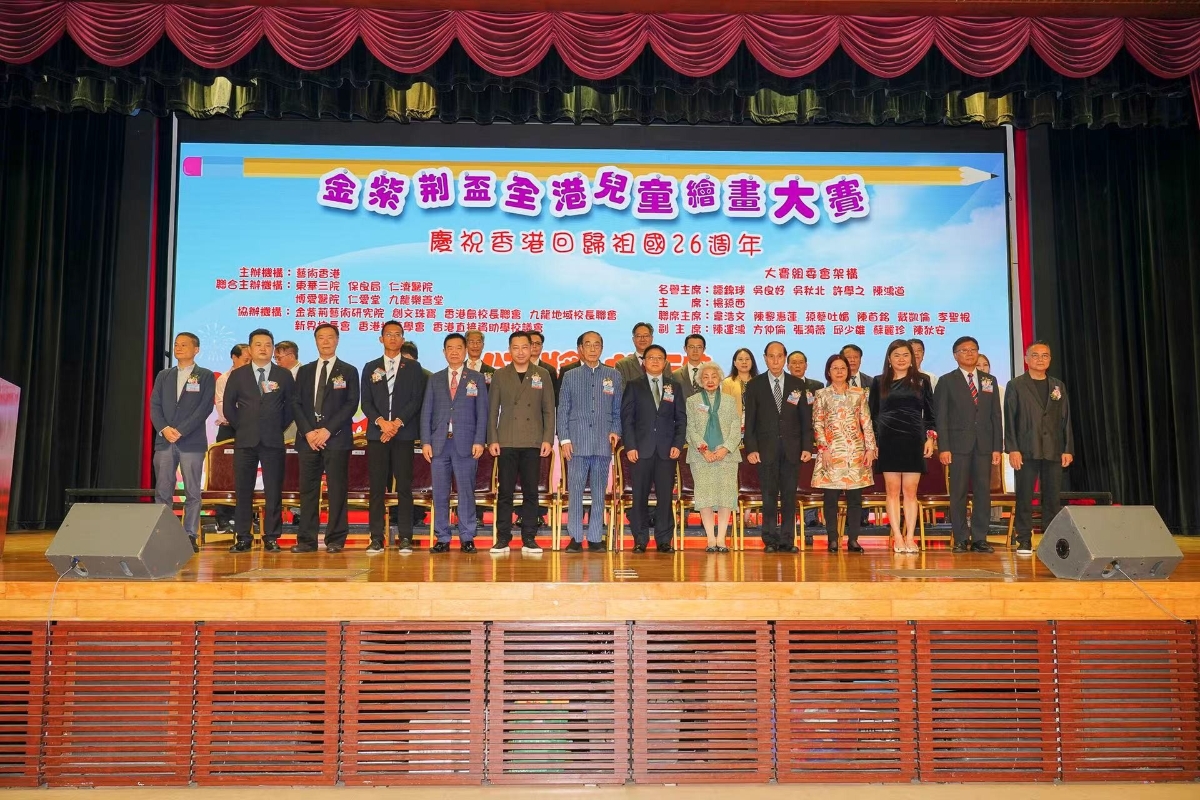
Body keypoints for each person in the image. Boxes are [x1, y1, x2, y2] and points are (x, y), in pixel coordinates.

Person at [223, 328, 296, 552]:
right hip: (245, 440)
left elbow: (290, 407)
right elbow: (229, 407)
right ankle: (243, 537)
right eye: (258, 344)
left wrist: (276, 427)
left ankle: (271, 537)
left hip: (273, 440)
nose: (263, 348)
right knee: (243, 491)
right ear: (250, 348)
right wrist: (243, 426)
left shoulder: (283, 375)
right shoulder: (238, 375)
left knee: (273, 491)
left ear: (272, 349)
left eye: (267, 345)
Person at [291, 323, 360, 554]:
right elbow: (296, 403)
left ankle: (336, 539)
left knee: (337, 490)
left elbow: (351, 404)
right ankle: (306, 540)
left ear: (337, 340)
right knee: (308, 491)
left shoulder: (348, 370)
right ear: (315, 341)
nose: (326, 341)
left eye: (330, 337)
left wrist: (327, 430)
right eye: (321, 337)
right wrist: (309, 432)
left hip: (336, 439)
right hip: (308, 439)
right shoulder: (305, 371)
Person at [361, 321, 427, 554]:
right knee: (377, 487)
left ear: (402, 339)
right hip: (377, 434)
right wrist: (382, 423)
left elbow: (416, 399)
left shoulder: (413, 368)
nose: (392, 338)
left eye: (397, 334)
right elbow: (366, 402)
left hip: (403, 434)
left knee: (405, 487)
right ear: (381, 339)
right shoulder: (370, 367)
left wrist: (396, 424)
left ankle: (406, 536)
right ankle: (376, 537)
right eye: (388, 334)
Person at [487, 331, 556, 554]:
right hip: (506, 439)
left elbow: (549, 410)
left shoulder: (542, 374)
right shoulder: (500, 375)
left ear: (532, 348)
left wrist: (547, 439)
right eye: (515, 347)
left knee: (531, 492)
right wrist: (492, 439)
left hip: (533, 440)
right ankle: (503, 537)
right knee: (505, 492)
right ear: (509, 350)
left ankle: (529, 537)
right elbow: (492, 410)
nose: (520, 352)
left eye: (524, 347)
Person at [1005, 341, 1074, 556]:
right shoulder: (1016, 385)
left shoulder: (1057, 386)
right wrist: (1013, 449)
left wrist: (1067, 449)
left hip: (1053, 449)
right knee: (1024, 497)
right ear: (1026, 359)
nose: (1040, 359)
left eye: (1045, 355)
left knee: (1052, 499)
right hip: (1026, 449)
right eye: (1035, 355)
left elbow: (1065, 419)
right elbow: (1010, 418)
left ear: (1050, 359)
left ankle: (1050, 542)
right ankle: (1024, 540)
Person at [421, 333, 489, 552]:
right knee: (440, 493)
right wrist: (425, 442)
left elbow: (483, 413)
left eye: (459, 347)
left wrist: (480, 440)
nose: (454, 352)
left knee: (466, 493)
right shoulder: (435, 379)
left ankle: (467, 536)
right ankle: (442, 537)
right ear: (444, 352)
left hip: (466, 444)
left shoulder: (476, 378)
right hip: (439, 445)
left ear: (465, 350)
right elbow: (426, 412)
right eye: (450, 348)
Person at [743, 342, 813, 553]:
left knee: (789, 497)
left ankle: (787, 540)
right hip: (765, 450)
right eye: (771, 356)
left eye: (779, 356)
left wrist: (807, 446)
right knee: (769, 496)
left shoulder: (797, 384)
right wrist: (751, 448)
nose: (775, 360)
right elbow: (750, 421)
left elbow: (805, 420)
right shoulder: (754, 385)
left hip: (792, 449)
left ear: (785, 358)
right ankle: (770, 540)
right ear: (765, 358)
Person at [935, 336, 1002, 554]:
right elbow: (941, 417)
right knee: (959, 493)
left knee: (983, 492)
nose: (969, 353)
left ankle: (980, 538)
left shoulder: (989, 380)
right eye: (964, 350)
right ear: (955, 355)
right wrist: (944, 447)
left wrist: (997, 447)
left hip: (984, 445)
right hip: (957, 446)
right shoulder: (946, 381)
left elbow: (995, 415)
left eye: (973, 349)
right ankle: (961, 538)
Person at [557, 331, 623, 552]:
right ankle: (575, 537)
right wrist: (564, 439)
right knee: (575, 491)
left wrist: (615, 431)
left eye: (597, 345)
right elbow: (563, 410)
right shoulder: (570, 376)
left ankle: (595, 537)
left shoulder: (614, 375)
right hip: (576, 442)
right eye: (588, 345)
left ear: (602, 348)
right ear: (580, 349)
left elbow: (618, 410)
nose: (593, 349)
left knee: (598, 492)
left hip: (603, 441)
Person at [868, 339, 936, 553]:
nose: (901, 359)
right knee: (892, 490)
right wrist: (874, 442)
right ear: (889, 359)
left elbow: (931, 415)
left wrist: (930, 438)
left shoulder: (922, 381)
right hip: (887, 440)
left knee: (910, 491)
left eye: (906, 355)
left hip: (914, 439)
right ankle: (897, 536)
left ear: (912, 358)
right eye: (896, 355)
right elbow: (872, 415)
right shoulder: (879, 381)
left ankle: (910, 537)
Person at [150, 332, 215, 553]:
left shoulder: (205, 375)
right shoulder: (164, 375)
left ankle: (189, 535)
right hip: (165, 441)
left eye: (184, 345)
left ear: (196, 349)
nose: (178, 348)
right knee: (163, 491)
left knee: (193, 492)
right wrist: (164, 429)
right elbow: (154, 405)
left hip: (192, 442)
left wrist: (181, 430)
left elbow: (205, 408)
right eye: (176, 344)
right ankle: (163, 535)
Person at [620, 344, 686, 553]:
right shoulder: (633, 386)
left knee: (665, 497)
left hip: (667, 451)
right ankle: (640, 539)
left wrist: (677, 444)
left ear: (665, 363)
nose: (655, 361)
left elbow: (681, 419)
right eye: (651, 358)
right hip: (641, 450)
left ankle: (664, 540)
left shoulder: (674, 387)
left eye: (659, 358)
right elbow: (627, 419)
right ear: (644, 362)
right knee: (639, 496)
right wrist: (630, 446)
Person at [811, 354, 877, 553]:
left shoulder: (858, 393)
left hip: (856, 452)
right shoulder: (821, 394)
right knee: (830, 498)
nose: (839, 372)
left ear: (848, 371)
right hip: (831, 453)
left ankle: (853, 540)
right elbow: (817, 423)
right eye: (835, 368)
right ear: (828, 372)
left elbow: (867, 422)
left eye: (843, 368)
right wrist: (823, 449)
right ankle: (832, 539)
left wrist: (870, 448)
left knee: (855, 499)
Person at [685, 363, 741, 552]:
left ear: (720, 379)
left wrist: (725, 449)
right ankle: (710, 539)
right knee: (705, 497)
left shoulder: (729, 401)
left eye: (714, 376)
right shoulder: (692, 401)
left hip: (726, 456)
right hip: (701, 457)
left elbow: (736, 427)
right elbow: (690, 428)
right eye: (706, 377)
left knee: (726, 497)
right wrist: (704, 450)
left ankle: (721, 539)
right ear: (700, 380)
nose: (710, 380)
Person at [211, 342, 249, 533]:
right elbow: (222, 406)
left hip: (249, 430)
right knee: (224, 474)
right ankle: (222, 517)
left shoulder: (254, 377)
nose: (249, 363)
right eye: (246, 359)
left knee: (246, 473)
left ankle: (243, 517)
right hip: (229, 429)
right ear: (234, 358)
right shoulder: (224, 379)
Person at [274, 340, 301, 444]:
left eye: (279, 358)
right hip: (277, 424)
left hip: (296, 425)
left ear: (291, 356)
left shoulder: (305, 373)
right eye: (275, 358)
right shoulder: (277, 374)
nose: (277, 362)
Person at [722, 347, 759, 421]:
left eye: (747, 359)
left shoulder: (759, 382)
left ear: (752, 362)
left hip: (756, 424)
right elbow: (725, 408)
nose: (744, 362)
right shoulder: (727, 382)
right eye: (740, 359)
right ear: (734, 363)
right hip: (735, 424)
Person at [527, 329, 562, 400]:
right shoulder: (517, 367)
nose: (534, 346)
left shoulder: (549, 370)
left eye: (538, 343)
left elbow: (553, 395)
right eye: (531, 343)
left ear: (542, 347)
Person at [672, 334, 708, 399]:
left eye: (699, 347)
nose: (695, 351)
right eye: (691, 347)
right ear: (685, 349)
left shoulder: (712, 374)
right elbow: (670, 399)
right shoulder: (675, 375)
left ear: (704, 349)